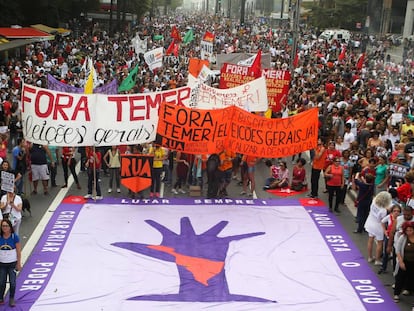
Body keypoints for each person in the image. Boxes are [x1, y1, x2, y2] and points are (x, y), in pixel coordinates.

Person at [365, 191, 392, 266]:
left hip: (370, 221)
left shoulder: (374, 201)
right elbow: (382, 220)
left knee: (370, 240)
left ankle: (370, 257)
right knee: (380, 243)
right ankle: (377, 260)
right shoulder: (383, 211)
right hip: (378, 225)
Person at [0, 219, 22, 307]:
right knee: (1, 282)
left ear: (10, 227)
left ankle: (11, 298)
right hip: (2, 264)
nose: (5, 228)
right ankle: (1, 297)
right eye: (3, 226)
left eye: (6, 226)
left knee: (12, 283)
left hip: (12, 264)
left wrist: (18, 263)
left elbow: (18, 251)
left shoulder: (14, 237)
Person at [393, 221, 414, 303]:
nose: (409, 232)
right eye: (407, 230)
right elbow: (397, 250)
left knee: (411, 278)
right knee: (400, 278)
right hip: (405, 261)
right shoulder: (403, 237)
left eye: (411, 230)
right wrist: (401, 262)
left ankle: (409, 290)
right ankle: (396, 294)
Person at [379, 204, 402, 274]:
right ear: (392, 211)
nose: (396, 213)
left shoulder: (401, 219)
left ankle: (395, 270)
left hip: (397, 239)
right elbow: (382, 222)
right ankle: (383, 267)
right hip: (389, 237)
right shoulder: (389, 217)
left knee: (396, 254)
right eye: (394, 211)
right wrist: (385, 231)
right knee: (386, 253)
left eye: (398, 211)